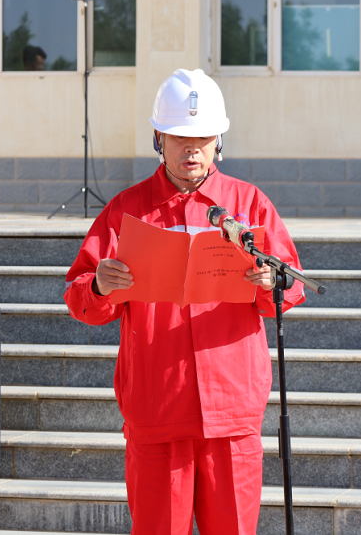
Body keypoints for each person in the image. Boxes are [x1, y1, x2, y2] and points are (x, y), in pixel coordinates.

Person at [64, 68, 304, 535]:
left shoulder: (249, 205)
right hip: (158, 407)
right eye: (179, 137)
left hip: (231, 408)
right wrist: (99, 286)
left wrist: (268, 281)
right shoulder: (126, 211)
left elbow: (287, 288)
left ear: (218, 141)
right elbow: (79, 296)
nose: (191, 149)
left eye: (202, 138)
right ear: (158, 138)